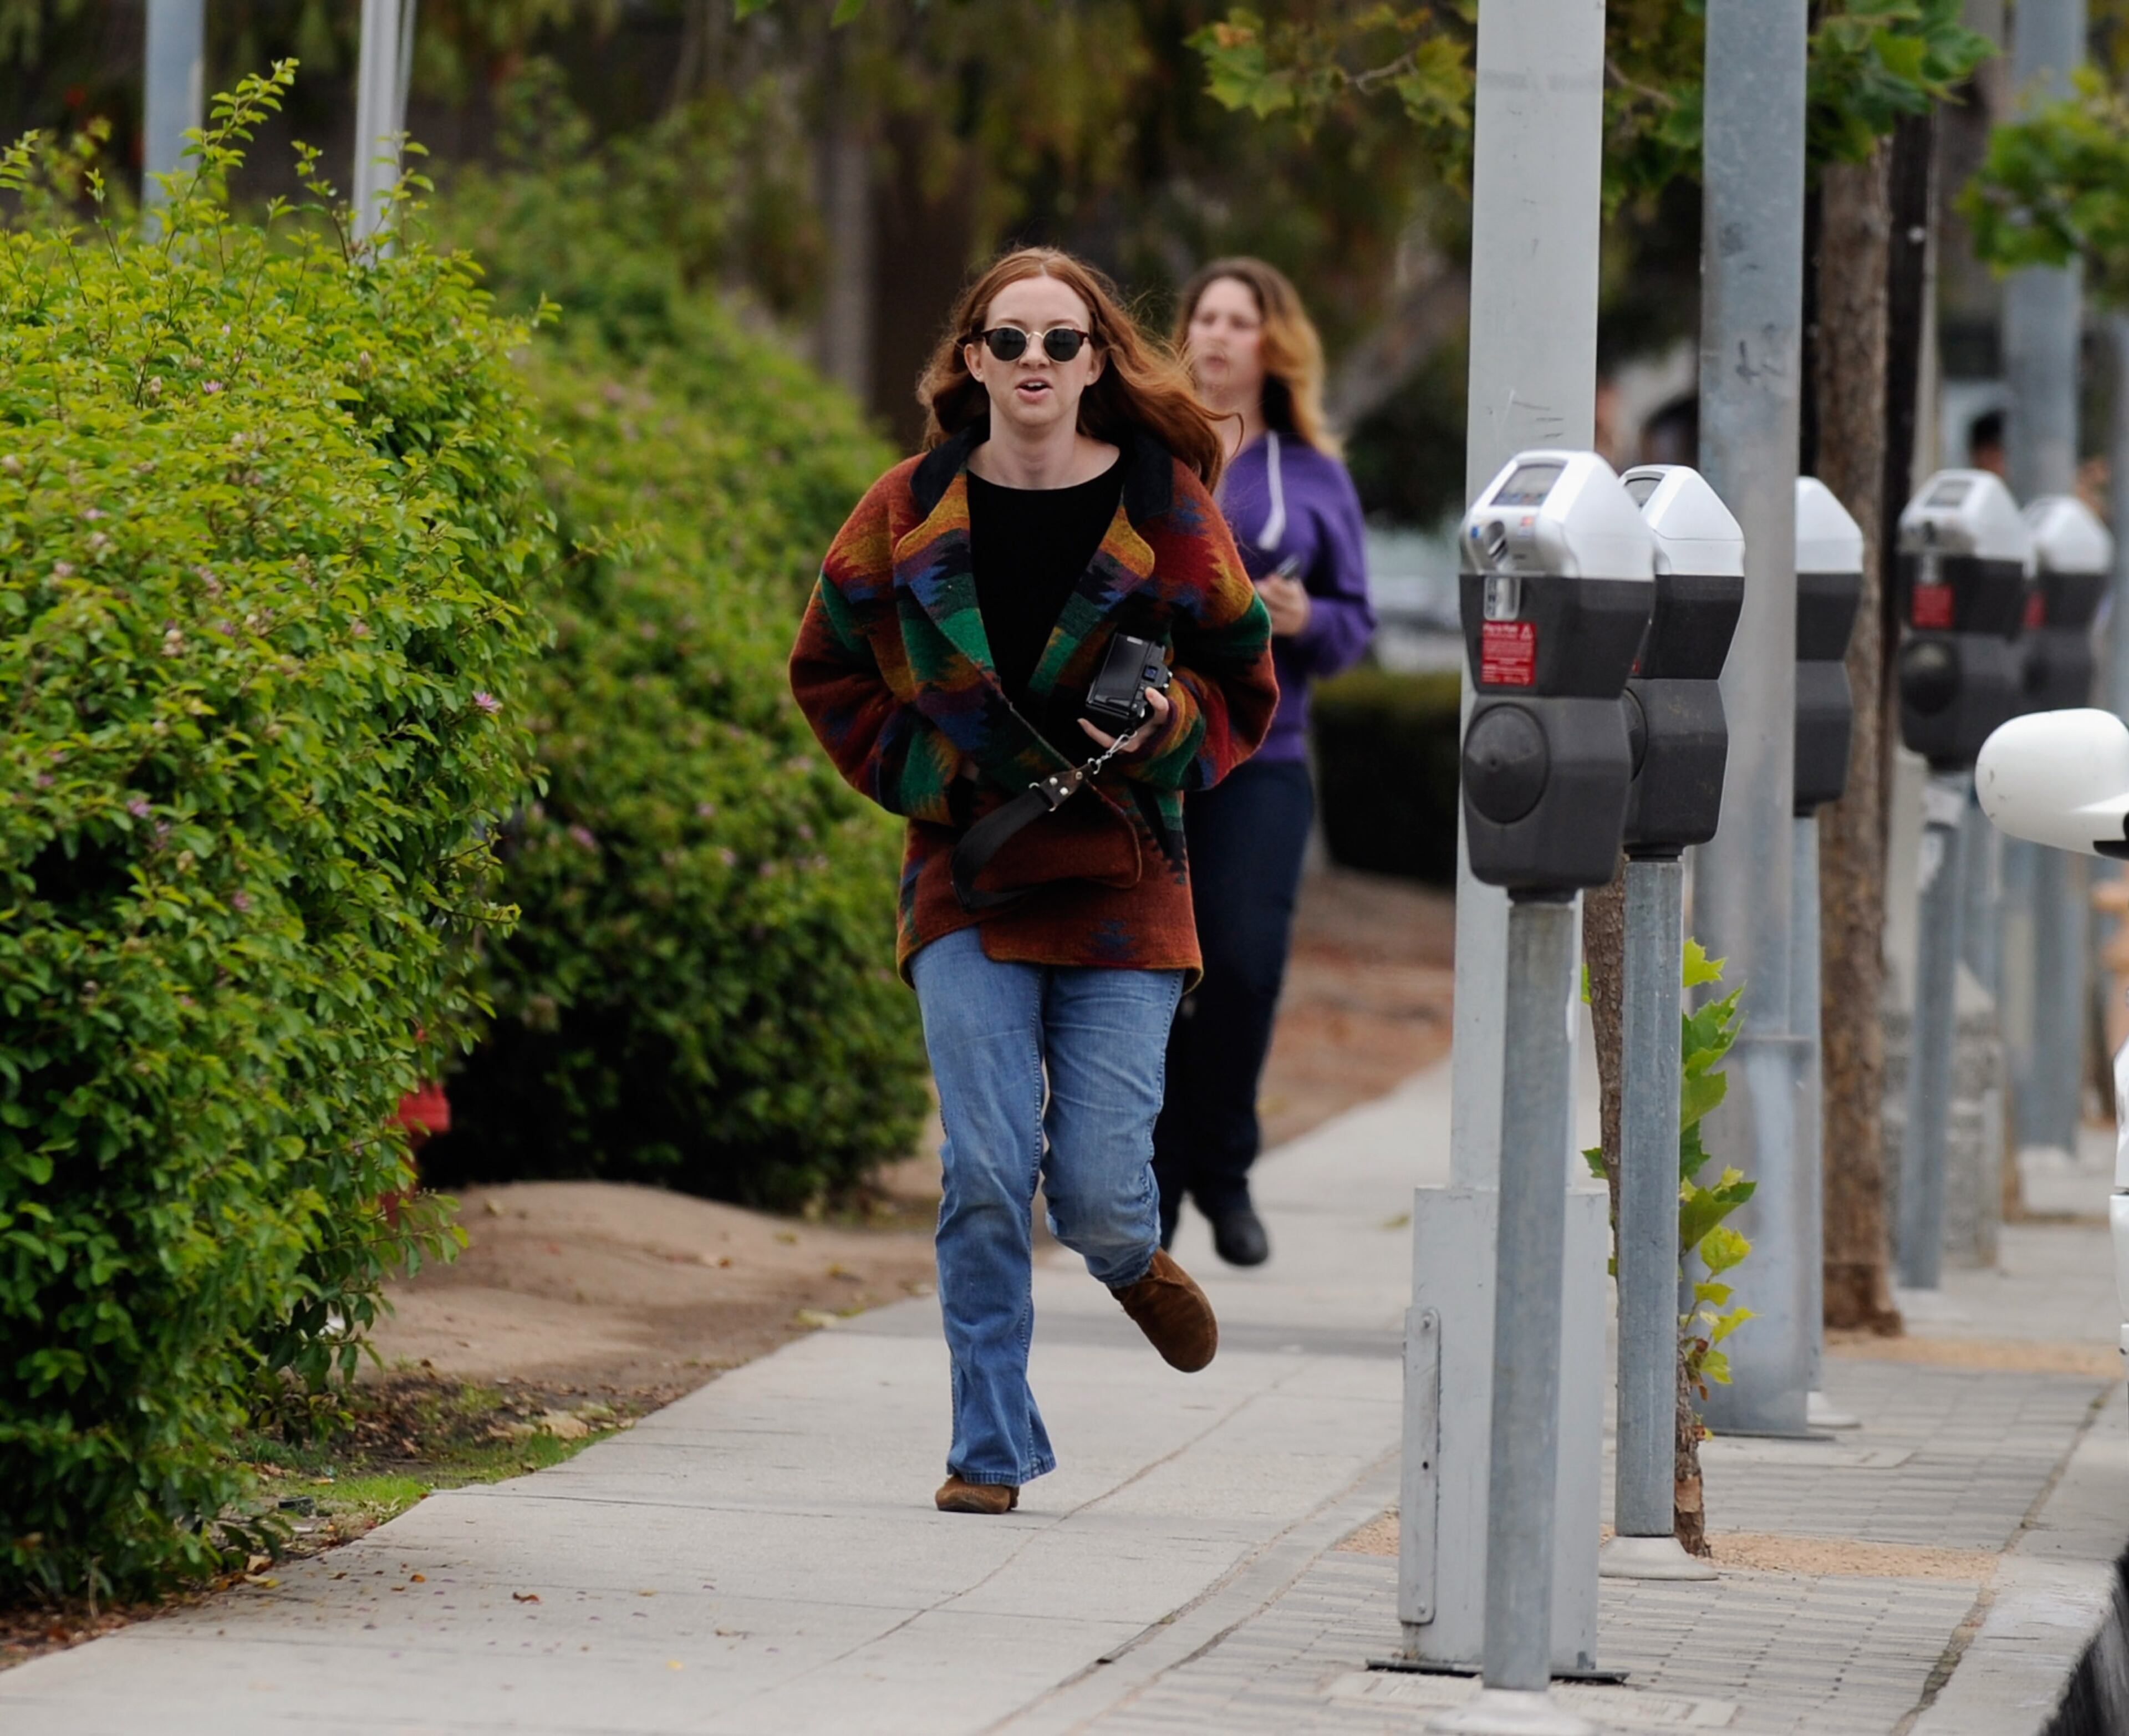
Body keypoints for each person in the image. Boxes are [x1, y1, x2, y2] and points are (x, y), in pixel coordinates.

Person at [790, 247, 1279, 1516]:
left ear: (1100, 361)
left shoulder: (1167, 508)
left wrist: (1170, 723)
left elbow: (1245, 676)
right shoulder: (907, 508)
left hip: (1126, 874)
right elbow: (828, 670)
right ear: (971, 360)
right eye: (1009, 343)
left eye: (1063, 344)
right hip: (970, 869)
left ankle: (1129, 1259)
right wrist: (936, 785)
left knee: (1104, 1194)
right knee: (987, 1166)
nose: (1035, 366)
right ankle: (988, 1447)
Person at [1153, 258, 1375, 1267]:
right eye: (1206, 316)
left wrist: (1306, 616)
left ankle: (1224, 1168)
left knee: (1240, 967)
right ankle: (1150, 1182)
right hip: (1147, 754)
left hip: (1268, 755)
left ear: (1271, 344)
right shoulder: (1144, 451)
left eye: (1241, 321)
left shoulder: (1317, 477)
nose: (1220, 335)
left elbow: (1354, 625)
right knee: (1147, 971)